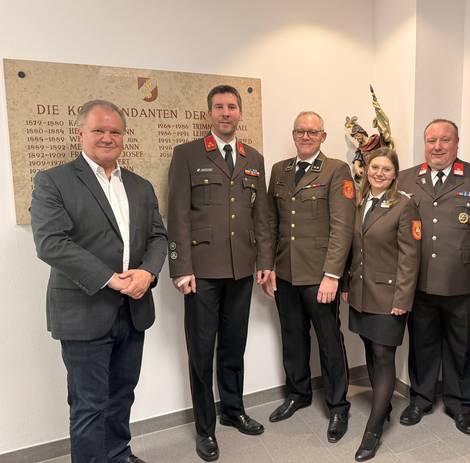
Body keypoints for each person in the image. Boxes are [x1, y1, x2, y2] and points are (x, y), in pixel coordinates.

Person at [30, 100, 167, 463]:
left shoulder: (140, 185)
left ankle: (118, 454)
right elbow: (51, 243)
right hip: (84, 309)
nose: (108, 137)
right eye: (99, 130)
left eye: (115, 131)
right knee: (89, 403)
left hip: (133, 308)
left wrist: (148, 272)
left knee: (122, 393)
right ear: (80, 133)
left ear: (124, 137)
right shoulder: (53, 181)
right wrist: (110, 279)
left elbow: (158, 237)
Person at [167, 85, 272, 461]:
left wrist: (265, 262)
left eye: (231, 107)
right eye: (219, 107)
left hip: (241, 268)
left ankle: (233, 410)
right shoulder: (187, 154)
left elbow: (261, 215)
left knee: (233, 344)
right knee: (201, 350)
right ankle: (205, 428)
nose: (225, 112)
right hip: (202, 272)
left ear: (240, 113)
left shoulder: (253, 158)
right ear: (209, 113)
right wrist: (181, 267)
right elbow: (177, 214)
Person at [396, 119, 470, 435]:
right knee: (421, 344)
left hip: (464, 283)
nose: (437, 146)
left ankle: (460, 406)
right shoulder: (405, 178)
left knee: (461, 347)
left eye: (444, 140)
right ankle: (420, 400)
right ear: (424, 144)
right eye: (431, 140)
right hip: (420, 282)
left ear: (456, 143)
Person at [262, 111, 355, 443]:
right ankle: (298, 394)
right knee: (292, 337)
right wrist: (268, 265)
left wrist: (332, 275)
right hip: (286, 272)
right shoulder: (280, 170)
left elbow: (343, 227)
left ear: (323, 136)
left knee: (329, 341)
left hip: (319, 276)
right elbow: (271, 222)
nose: (305, 136)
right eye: (300, 131)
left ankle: (338, 406)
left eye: (312, 132)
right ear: (293, 134)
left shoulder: (336, 170)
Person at [341, 148, 421, 461]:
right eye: (374, 167)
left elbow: (410, 258)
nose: (378, 173)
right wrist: (346, 285)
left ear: (394, 174)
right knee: (370, 349)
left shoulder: (404, 205)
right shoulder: (360, 201)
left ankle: (373, 430)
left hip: (389, 297)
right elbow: (352, 250)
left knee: (383, 355)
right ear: (366, 170)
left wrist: (402, 299)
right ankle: (382, 405)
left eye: (386, 169)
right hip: (362, 293)